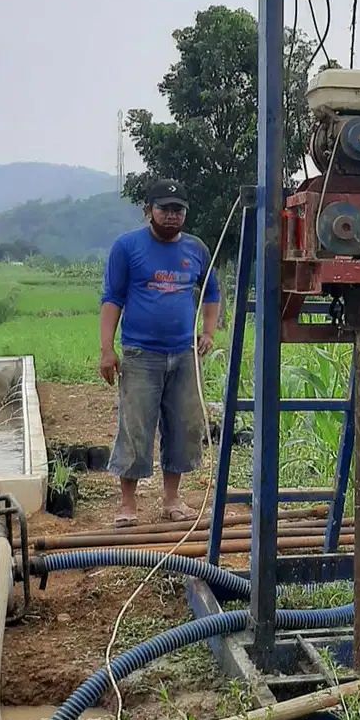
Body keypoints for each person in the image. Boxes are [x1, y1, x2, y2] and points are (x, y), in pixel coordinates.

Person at [99, 178, 221, 528]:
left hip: (184, 355)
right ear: (148, 210)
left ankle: (172, 500)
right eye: (164, 209)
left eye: (178, 210)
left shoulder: (196, 250)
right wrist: (107, 350)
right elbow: (112, 299)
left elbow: (211, 293)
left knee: (183, 427)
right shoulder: (126, 247)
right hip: (140, 354)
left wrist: (209, 331)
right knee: (136, 427)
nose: (171, 216)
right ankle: (127, 504)